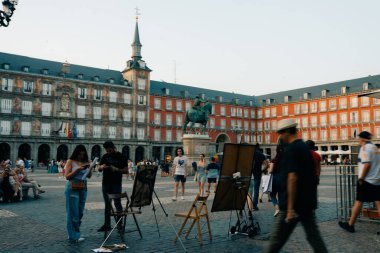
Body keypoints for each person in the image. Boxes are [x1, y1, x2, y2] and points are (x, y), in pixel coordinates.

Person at [265, 118, 327, 253]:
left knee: (275, 241)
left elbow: (292, 178)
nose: (280, 136)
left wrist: (290, 208)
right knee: (314, 237)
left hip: (292, 205)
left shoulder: (291, 150)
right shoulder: (304, 147)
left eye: (281, 132)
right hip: (307, 202)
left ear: (288, 131)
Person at [338, 131, 380, 235]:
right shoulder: (375, 148)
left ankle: (350, 225)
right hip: (377, 180)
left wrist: (361, 178)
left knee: (358, 202)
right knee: (379, 203)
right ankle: (350, 224)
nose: (358, 140)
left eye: (359, 138)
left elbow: (366, 165)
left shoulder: (364, 148)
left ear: (361, 139)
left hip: (366, 181)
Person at [97, 141, 128, 232]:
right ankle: (107, 225)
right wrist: (101, 167)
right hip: (105, 183)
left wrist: (117, 169)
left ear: (113, 147)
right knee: (107, 205)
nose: (108, 152)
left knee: (117, 204)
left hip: (116, 184)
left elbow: (126, 170)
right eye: (106, 150)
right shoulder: (105, 156)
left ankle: (119, 225)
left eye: (109, 150)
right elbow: (98, 168)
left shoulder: (121, 156)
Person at [63, 145, 92, 243]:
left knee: (80, 212)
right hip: (72, 187)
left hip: (83, 187)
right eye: (80, 154)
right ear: (76, 153)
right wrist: (77, 169)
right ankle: (73, 236)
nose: (81, 156)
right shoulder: (70, 161)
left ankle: (74, 233)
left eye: (83, 154)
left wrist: (90, 167)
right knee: (72, 213)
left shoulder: (85, 162)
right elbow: (67, 176)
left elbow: (90, 176)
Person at [268, 139, 287, 217]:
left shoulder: (274, 160)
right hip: (283, 179)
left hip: (275, 179)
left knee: (272, 195)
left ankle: (277, 208)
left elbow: (271, 170)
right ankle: (282, 210)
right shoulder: (286, 160)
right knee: (281, 194)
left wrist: (269, 170)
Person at [249, 143, 268, 211]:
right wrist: (262, 170)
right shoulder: (261, 154)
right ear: (258, 147)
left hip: (249, 174)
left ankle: (249, 206)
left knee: (249, 192)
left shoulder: (249, 153)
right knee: (256, 191)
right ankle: (254, 206)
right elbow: (266, 164)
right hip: (257, 174)